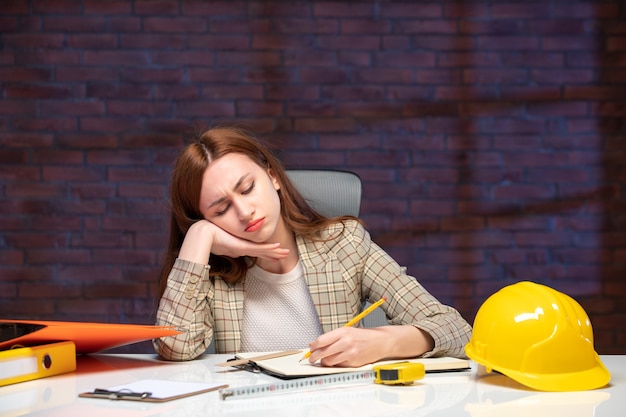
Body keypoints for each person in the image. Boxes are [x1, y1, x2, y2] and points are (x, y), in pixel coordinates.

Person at [153, 126, 472, 366]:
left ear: (272, 176)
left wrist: (384, 342)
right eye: (220, 210)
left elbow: (456, 331)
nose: (243, 211)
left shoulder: (343, 243)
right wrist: (198, 238)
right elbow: (174, 350)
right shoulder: (210, 273)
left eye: (248, 188)